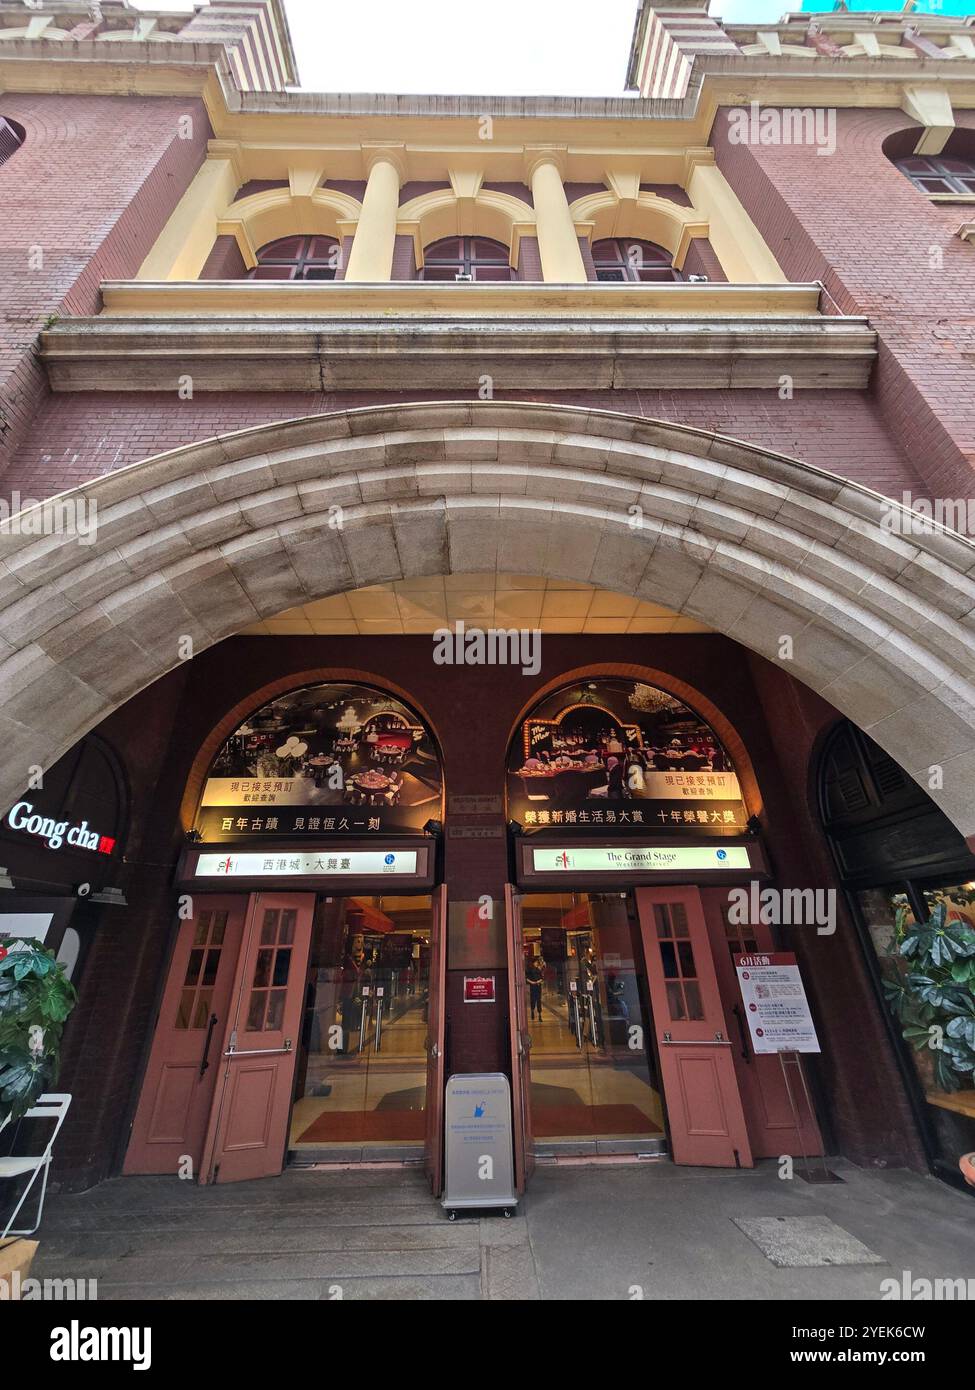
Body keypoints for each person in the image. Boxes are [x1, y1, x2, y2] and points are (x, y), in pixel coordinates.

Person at [525, 956, 544, 1022]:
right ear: (533, 963)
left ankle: (539, 1015)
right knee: (533, 999)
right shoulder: (530, 970)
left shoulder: (539, 970)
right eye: (535, 962)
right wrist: (532, 982)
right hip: (533, 986)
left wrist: (539, 981)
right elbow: (527, 978)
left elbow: (542, 978)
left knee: (539, 1000)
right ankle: (532, 1011)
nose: (536, 963)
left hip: (538, 986)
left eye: (537, 962)